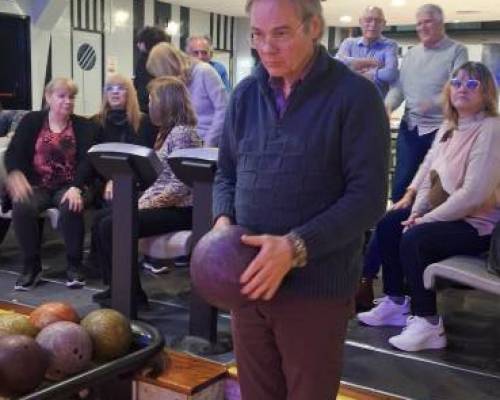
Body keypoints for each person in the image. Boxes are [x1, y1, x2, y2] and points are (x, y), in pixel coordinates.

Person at [212, 0, 389, 398]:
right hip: (249, 284)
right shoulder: (244, 95)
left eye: (280, 33)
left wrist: (295, 247)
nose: (266, 47)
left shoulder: (356, 96)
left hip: (315, 291)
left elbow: (369, 198)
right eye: (257, 34)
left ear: (314, 28)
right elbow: (226, 173)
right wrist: (223, 223)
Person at [358, 61, 500, 352]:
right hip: (448, 217)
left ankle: (428, 323)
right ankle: (397, 302)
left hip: (479, 226)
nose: (462, 88)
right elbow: (429, 172)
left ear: (486, 93)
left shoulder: (491, 128)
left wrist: (425, 220)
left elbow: (473, 193)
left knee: (416, 238)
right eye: (457, 82)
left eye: (472, 84)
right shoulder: (450, 126)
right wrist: (414, 212)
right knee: (390, 223)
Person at [358, 4, 469, 307]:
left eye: (428, 23)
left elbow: (457, 92)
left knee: (431, 203)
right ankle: (374, 279)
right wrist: (384, 109)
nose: (423, 28)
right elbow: (399, 91)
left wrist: (430, 104)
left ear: (441, 23)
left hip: (443, 131)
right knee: (398, 204)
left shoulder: (456, 51)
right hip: (411, 131)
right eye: (418, 24)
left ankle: (418, 278)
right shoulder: (411, 56)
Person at [92, 76, 202, 306]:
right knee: (101, 219)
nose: (149, 105)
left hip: (182, 210)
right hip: (166, 205)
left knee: (112, 224)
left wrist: (143, 204)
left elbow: (180, 186)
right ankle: (118, 287)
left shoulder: (182, 133)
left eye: (152, 100)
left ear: (166, 102)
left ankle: (130, 294)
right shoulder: (167, 132)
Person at [4, 77, 98, 290]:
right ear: (48, 97)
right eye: (62, 96)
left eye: (71, 97)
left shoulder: (84, 126)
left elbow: (88, 161)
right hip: (38, 184)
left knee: (70, 205)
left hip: (71, 183)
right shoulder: (32, 121)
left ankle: (74, 265)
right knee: (22, 206)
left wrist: (76, 187)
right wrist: (15, 173)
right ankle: (31, 266)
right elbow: (13, 152)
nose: (68, 101)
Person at [146, 42, 228, 147]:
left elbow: (223, 110)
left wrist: (208, 144)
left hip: (209, 143)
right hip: (186, 142)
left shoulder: (204, 71)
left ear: (168, 66)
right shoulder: (177, 83)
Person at [336, 6, 398, 97]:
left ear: (384, 24)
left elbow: (390, 73)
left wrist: (353, 70)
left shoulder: (390, 45)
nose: (373, 24)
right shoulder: (348, 43)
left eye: (378, 21)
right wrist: (367, 62)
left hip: (375, 104)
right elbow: (337, 65)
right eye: (368, 20)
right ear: (360, 22)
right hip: (347, 102)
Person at [134, 26, 168, 113]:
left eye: (140, 42)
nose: (138, 45)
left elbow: (142, 86)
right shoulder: (167, 60)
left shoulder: (144, 60)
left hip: (147, 106)